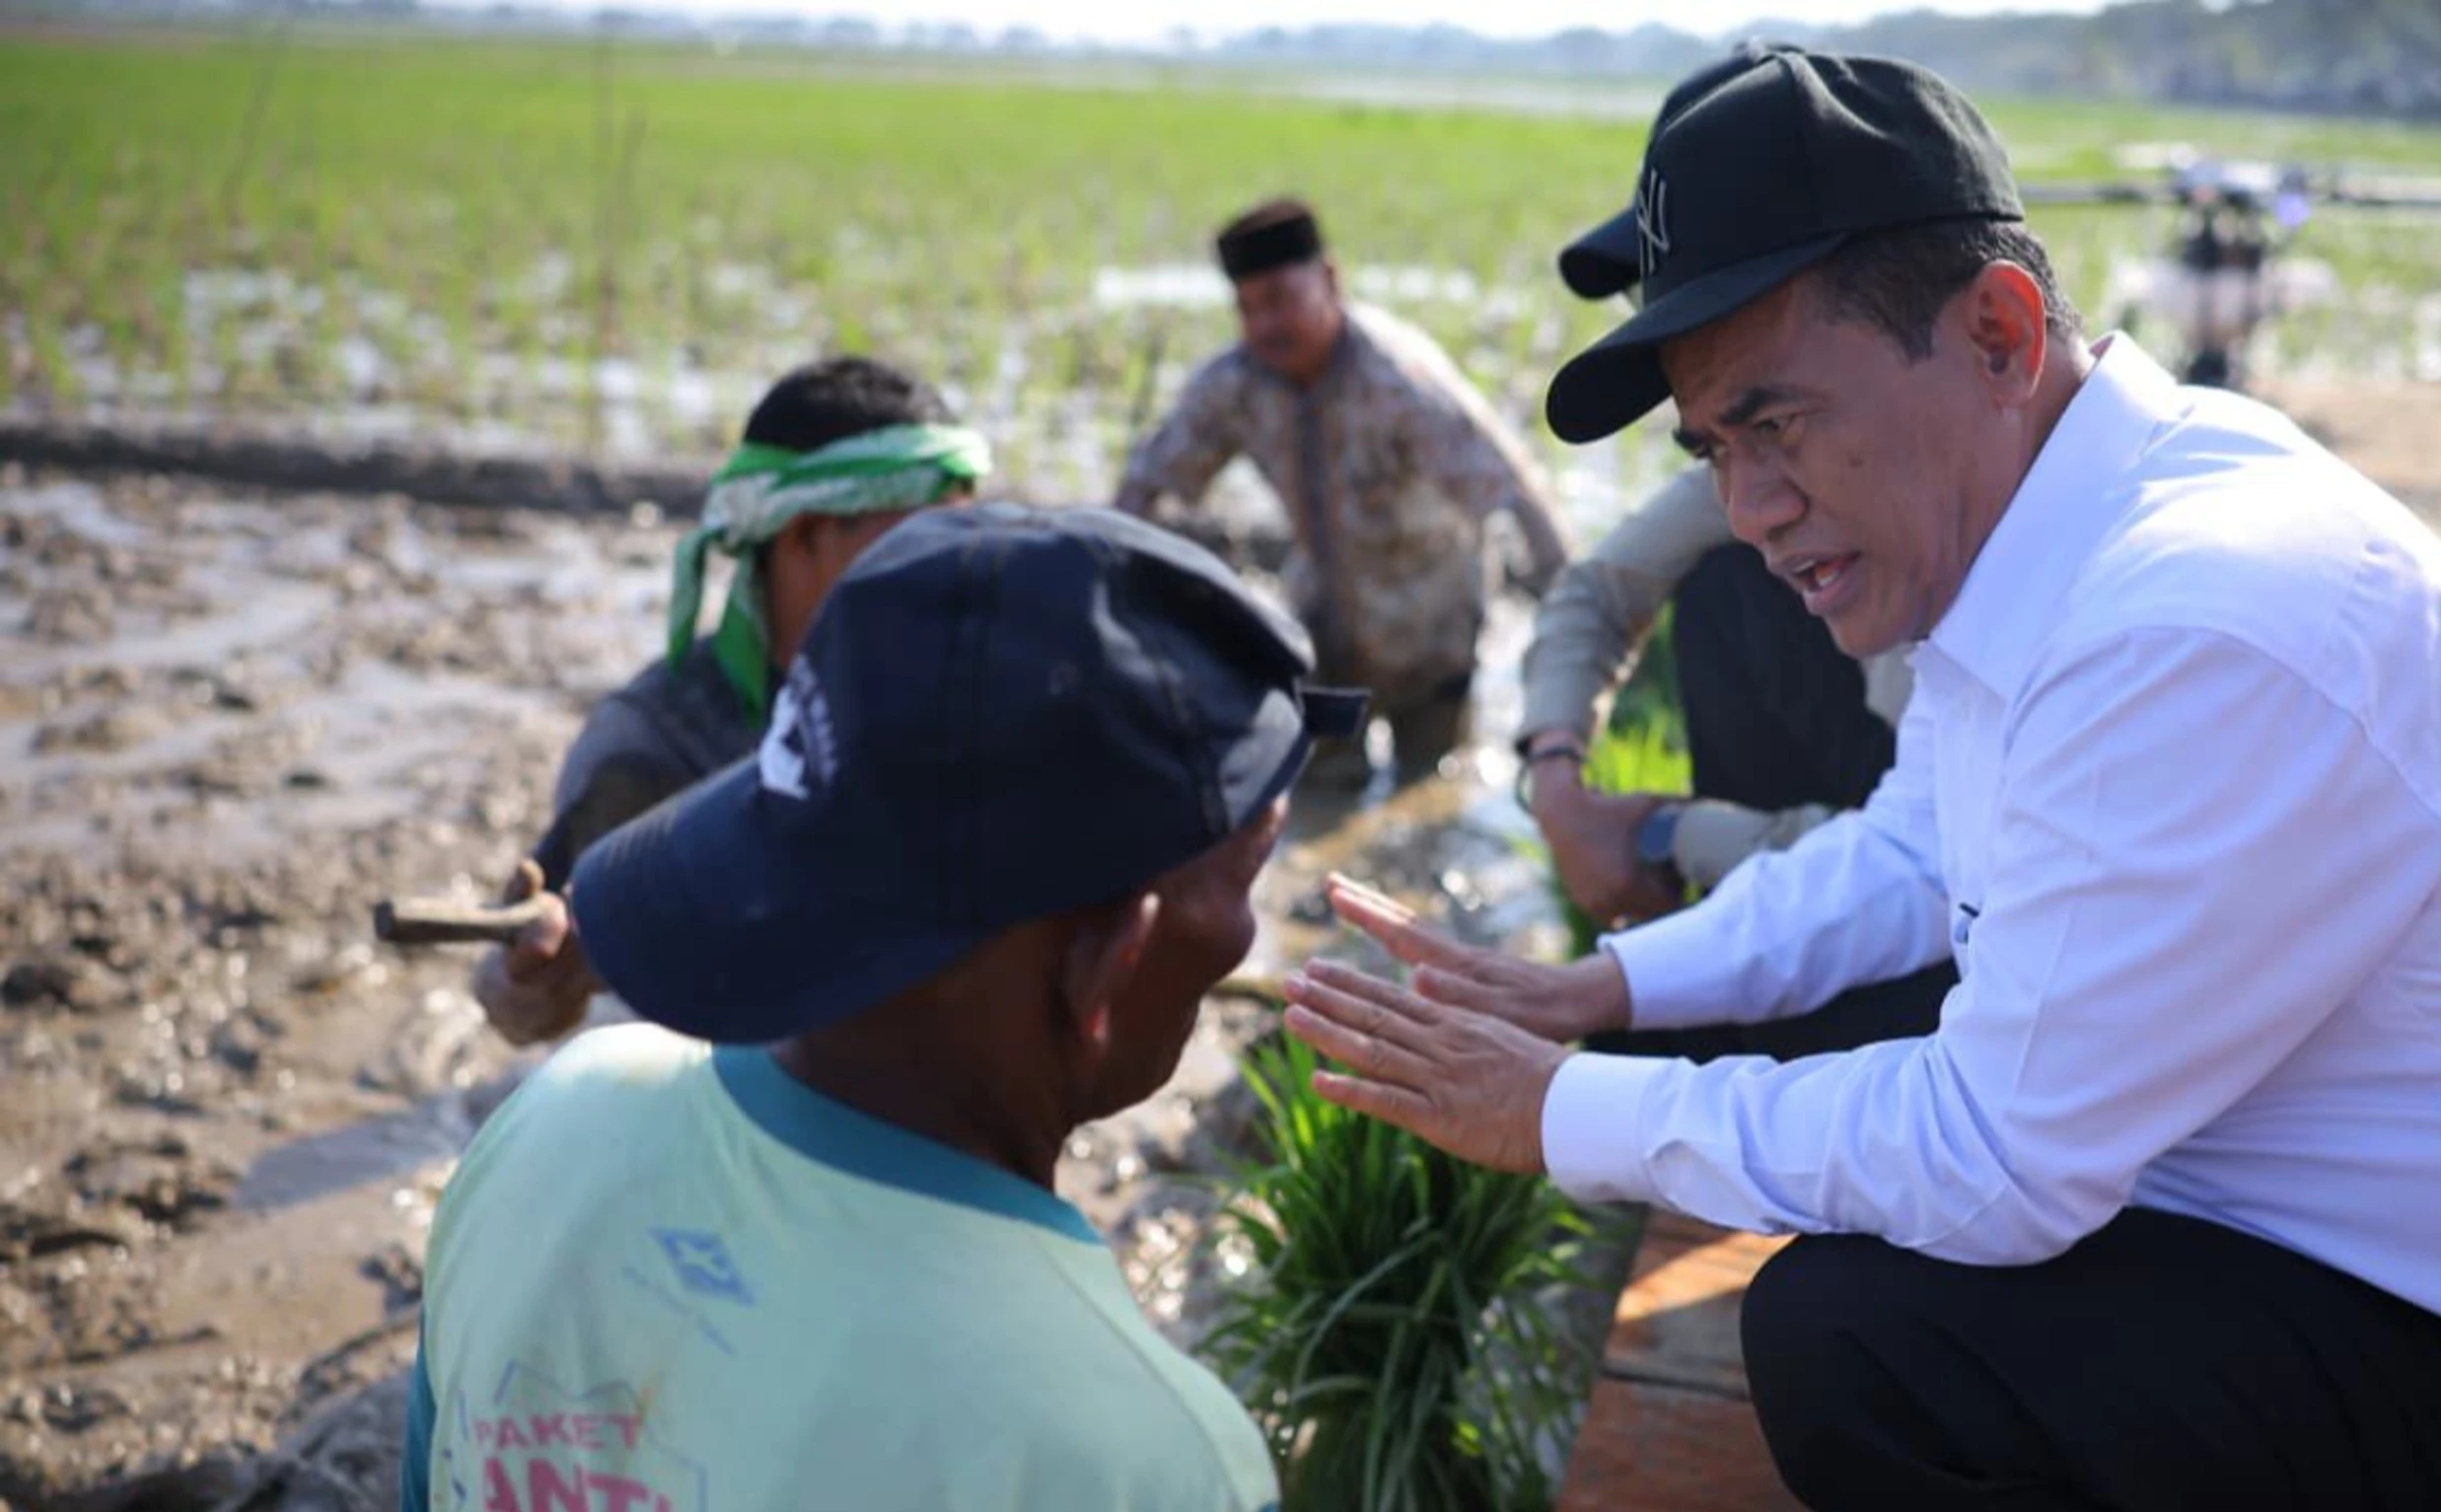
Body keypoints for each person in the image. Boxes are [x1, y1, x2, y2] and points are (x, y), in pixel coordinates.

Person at [1279, 50, 2441, 1512]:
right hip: (2433, 1252)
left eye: (1780, 421)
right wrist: (1605, 994)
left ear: (1997, 333)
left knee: (1859, 1348)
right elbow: (1917, 850)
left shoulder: (2195, 620)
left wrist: (1562, 1111)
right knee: (1867, 1278)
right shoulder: (2068, 515)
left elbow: (1996, 1160)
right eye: (1716, 446)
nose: (1749, 508)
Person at [401, 502, 1362, 1510]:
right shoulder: (1135, 1459)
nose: (1247, 936)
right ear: (1110, 965)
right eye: (1247, 873)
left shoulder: (550, 1125)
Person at [1521, 41, 1950, 1057]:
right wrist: (1554, 776)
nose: (1659, 326)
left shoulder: (1910, 500)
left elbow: (1936, 863)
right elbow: (1595, 589)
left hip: (1936, 926)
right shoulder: (1763, 473)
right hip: (1878, 858)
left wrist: (1668, 836)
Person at [472, 355, 988, 1045]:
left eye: (960, 545)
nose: (945, 579)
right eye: (917, 547)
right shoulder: (657, 746)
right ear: (803, 536)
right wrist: (529, 979)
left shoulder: (961, 690)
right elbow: (530, 983)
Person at [1115, 196, 1572, 783]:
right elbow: (1148, 488)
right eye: (1248, 308)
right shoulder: (1235, 385)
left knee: (1428, 788)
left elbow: (1511, 491)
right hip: (1324, 636)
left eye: (1280, 300)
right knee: (1317, 788)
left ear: (1329, 278)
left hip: (1432, 632)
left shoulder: (1398, 381)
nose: (1265, 326)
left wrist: (1574, 619)